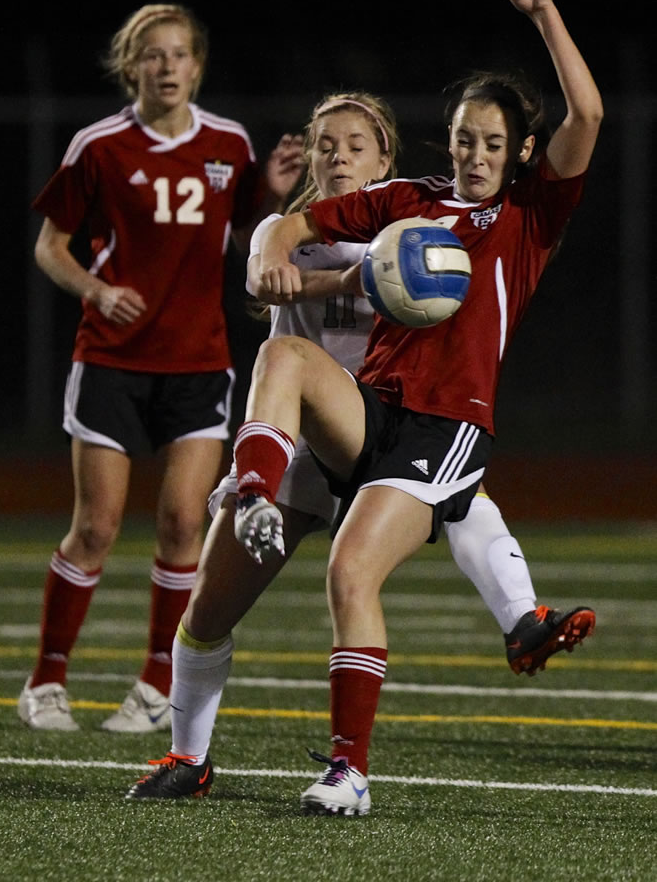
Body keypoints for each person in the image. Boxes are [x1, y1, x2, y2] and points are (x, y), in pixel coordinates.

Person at [125, 82, 595, 802]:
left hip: (393, 430)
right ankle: (188, 758)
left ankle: (511, 625)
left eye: (354, 145)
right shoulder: (330, 223)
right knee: (208, 609)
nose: (337, 157)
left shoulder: (417, 223)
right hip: (296, 441)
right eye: (324, 145)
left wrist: (353, 273)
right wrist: (279, 262)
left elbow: (455, 364)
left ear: (385, 157)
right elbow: (269, 257)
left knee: (432, 504)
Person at [226, 0, 602, 816]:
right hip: (376, 408)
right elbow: (308, 219)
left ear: (519, 155)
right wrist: (269, 250)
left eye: (491, 144)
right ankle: (249, 486)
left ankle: (349, 773)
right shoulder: (413, 203)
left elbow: (587, 117)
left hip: (447, 425)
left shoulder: (528, 218)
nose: (472, 155)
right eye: (464, 139)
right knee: (282, 360)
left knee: (350, 567)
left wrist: (543, 13)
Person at [18, 2, 303, 732]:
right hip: (111, 359)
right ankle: (46, 681)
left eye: (180, 54)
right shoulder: (100, 145)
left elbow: (241, 241)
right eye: (153, 54)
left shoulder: (229, 142)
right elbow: (52, 245)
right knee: (96, 528)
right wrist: (96, 289)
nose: (167, 66)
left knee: (183, 525)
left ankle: (154, 684)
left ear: (197, 67)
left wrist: (267, 193)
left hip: (199, 361)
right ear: (131, 65)